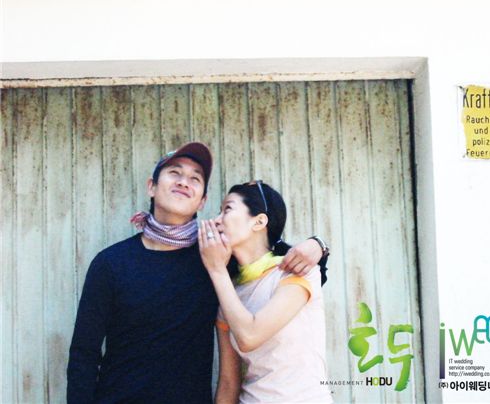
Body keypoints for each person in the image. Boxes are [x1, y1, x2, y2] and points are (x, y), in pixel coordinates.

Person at [67, 142, 329, 404]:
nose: (184, 182)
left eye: (195, 178)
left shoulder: (216, 261)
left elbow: (274, 269)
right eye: (174, 173)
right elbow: (84, 354)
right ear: (152, 187)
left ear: (202, 201)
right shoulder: (110, 263)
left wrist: (317, 246)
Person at [198, 181, 332, 404]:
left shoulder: (296, 272)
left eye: (227, 209)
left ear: (259, 221)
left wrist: (217, 268)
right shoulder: (229, 292)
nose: (216, 220)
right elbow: (229, 382)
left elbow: (249, 336)